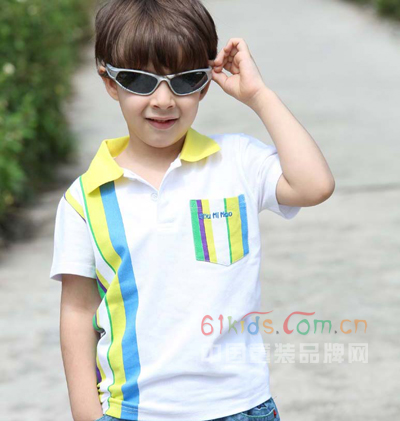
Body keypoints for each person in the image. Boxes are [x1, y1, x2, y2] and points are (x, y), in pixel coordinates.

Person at [49, 1, 335, 420]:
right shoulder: (84, 199)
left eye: (185, 80)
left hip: (242, 407)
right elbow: (77, 311)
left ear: (205, 83)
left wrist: (259, 96)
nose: (164, 100)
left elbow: (315, 185)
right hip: (135, 410)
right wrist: (86, 414)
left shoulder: (236, 161)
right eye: (140, 80)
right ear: (110, 81)